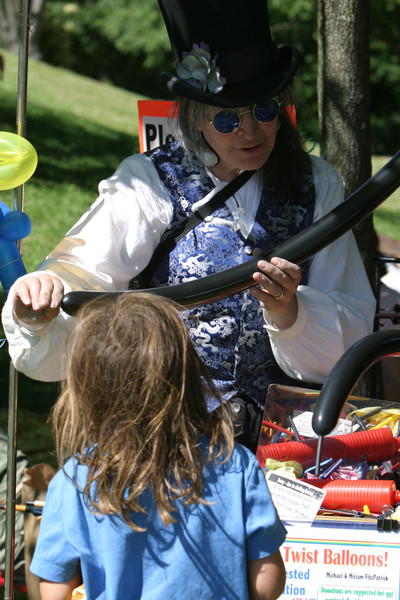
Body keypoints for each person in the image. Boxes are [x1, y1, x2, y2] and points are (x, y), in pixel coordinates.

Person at [1, 0, 376, 450]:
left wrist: (290, 312)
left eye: (264, 110)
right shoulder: (149, 181)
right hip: (164, 434)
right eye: (226, 117)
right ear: (196, 117)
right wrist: (38, 307)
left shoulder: (317, 183)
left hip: (279, 448)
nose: (250, 132)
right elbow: (81, 276)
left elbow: (351, 327)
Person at [29, 292, 287, 600]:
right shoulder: (235, 464)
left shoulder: (73, 481)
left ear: (86, 392)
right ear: (189, 377)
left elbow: (54, 591)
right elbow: (266, 584)